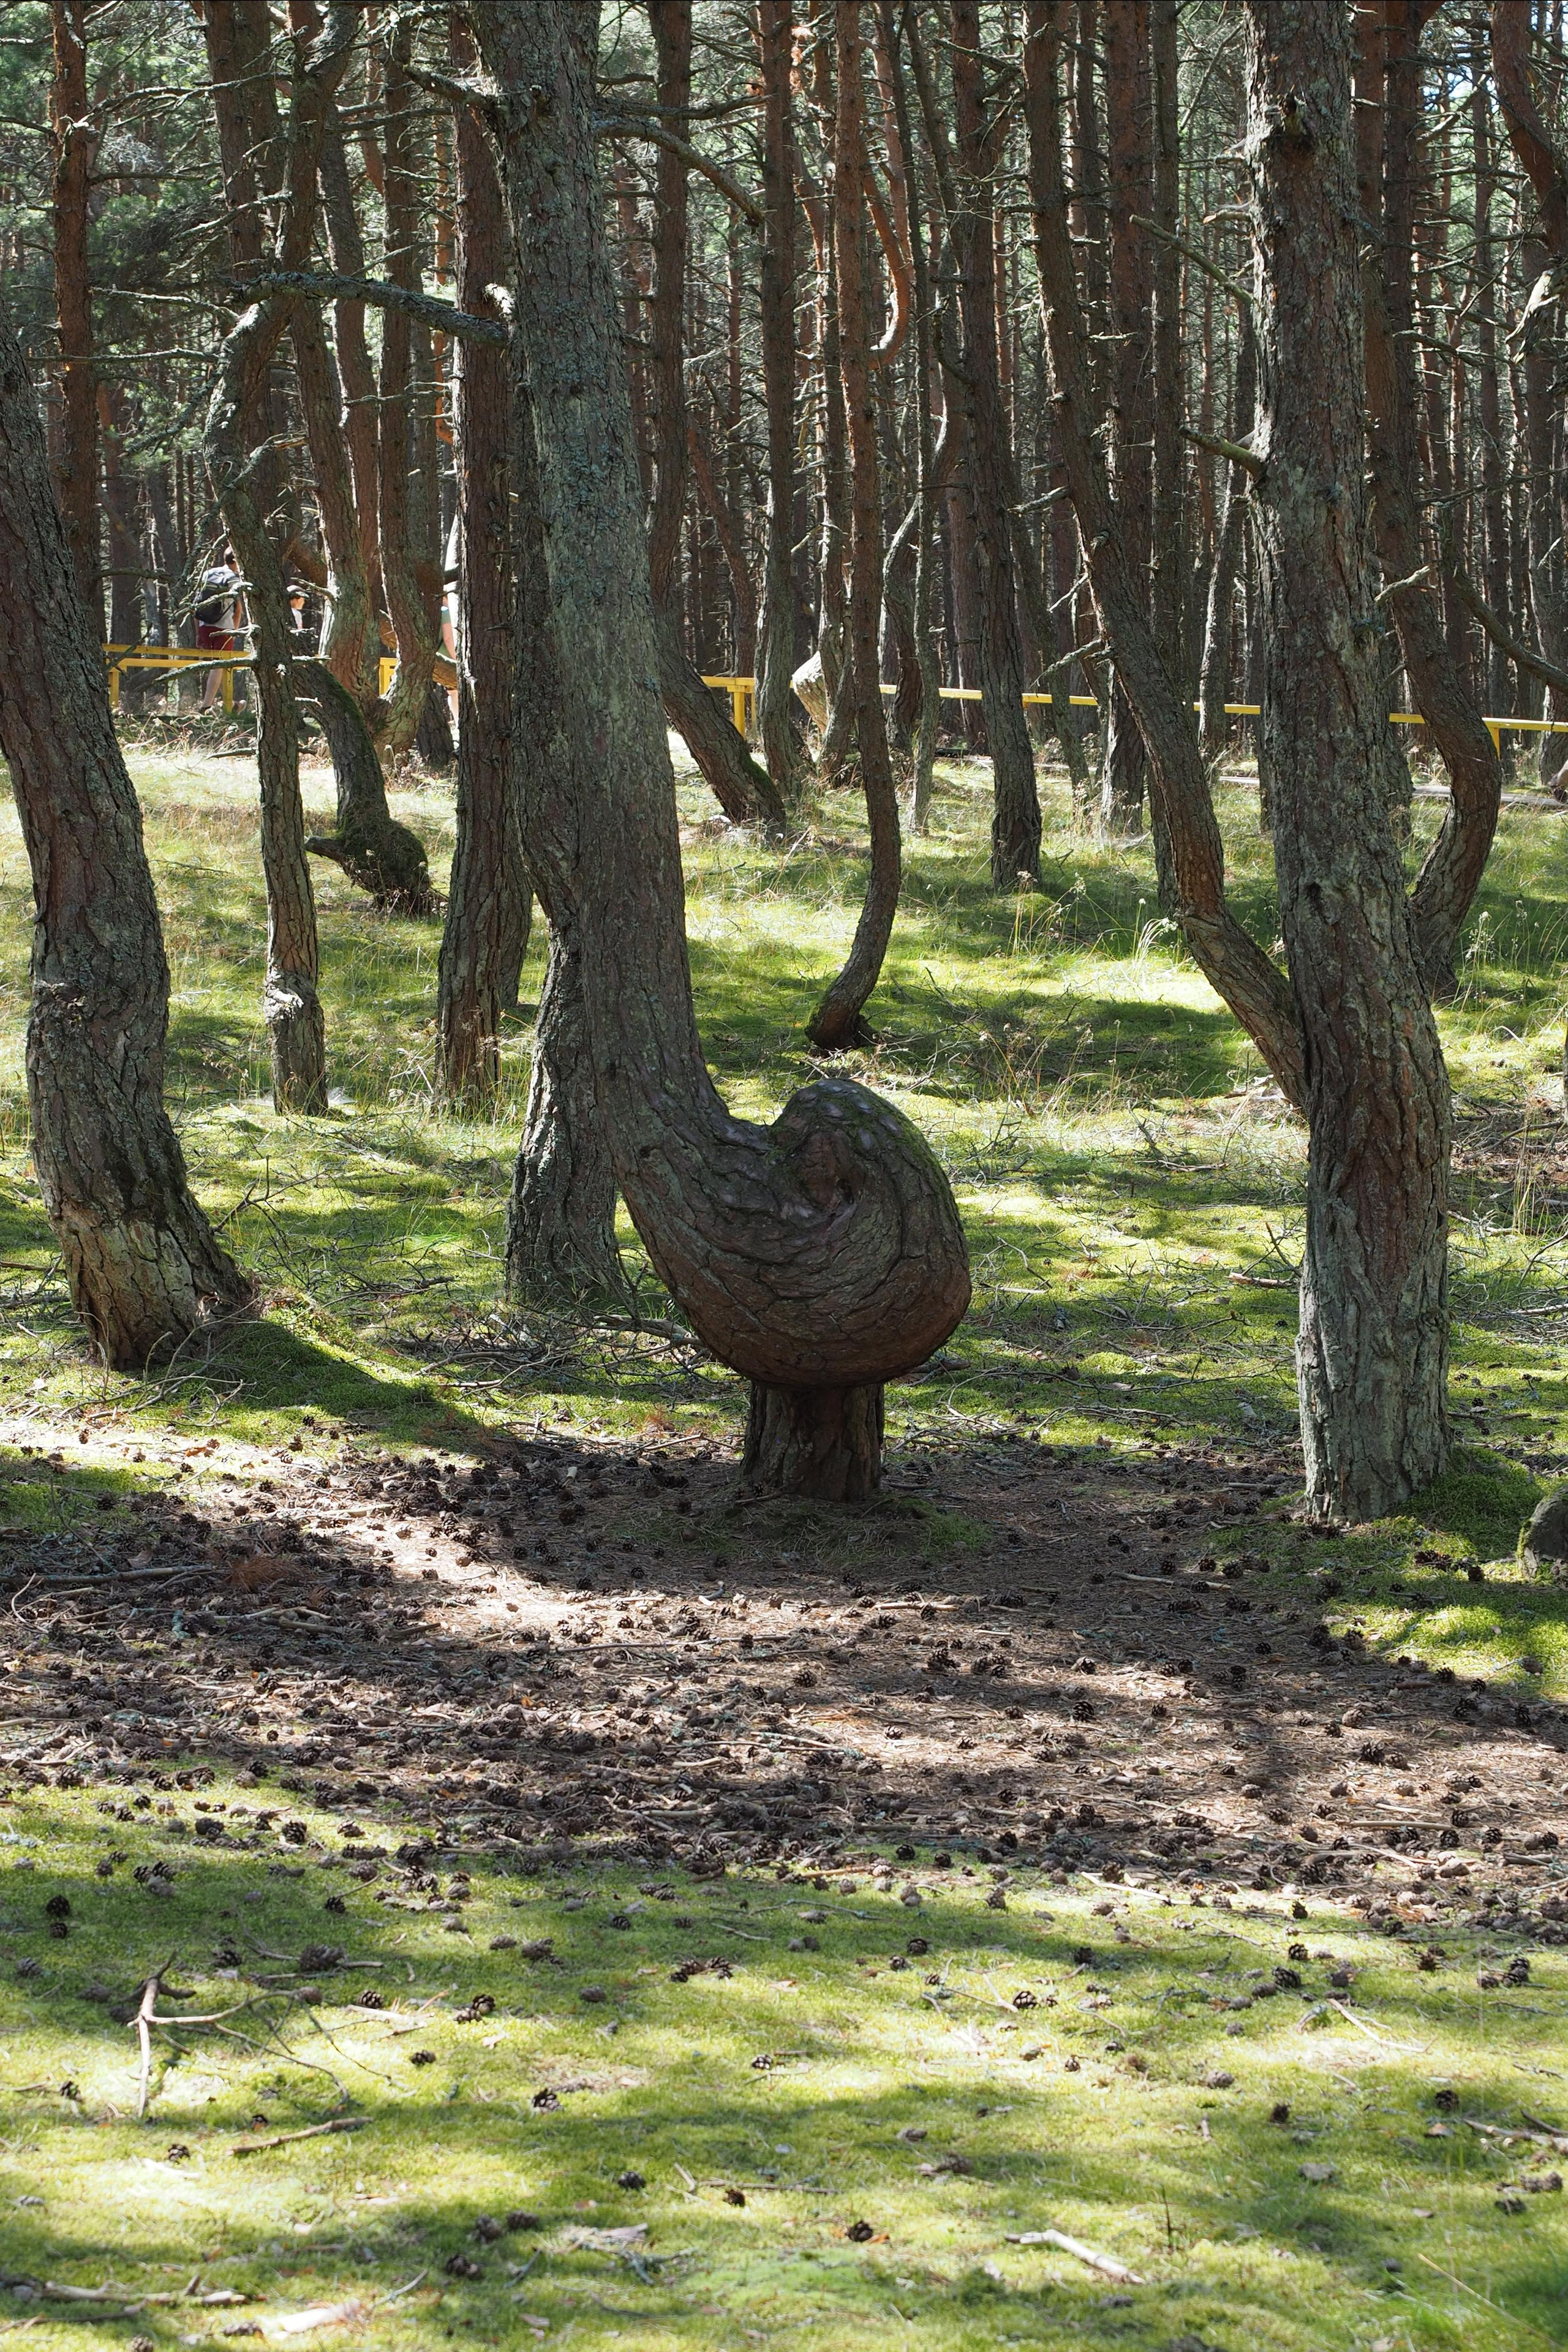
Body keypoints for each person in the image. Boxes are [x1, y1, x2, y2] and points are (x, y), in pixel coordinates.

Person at [195, 545, 242, 710]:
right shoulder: (233, 578)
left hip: (204, 625)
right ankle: (206, 707)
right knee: (219, 665)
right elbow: (238, 609)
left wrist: (198, 632)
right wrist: (234, 632)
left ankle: (232, 704)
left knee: (214, 666)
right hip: (224, 628)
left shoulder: (208, 574)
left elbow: (198, 604)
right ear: (236, 560)